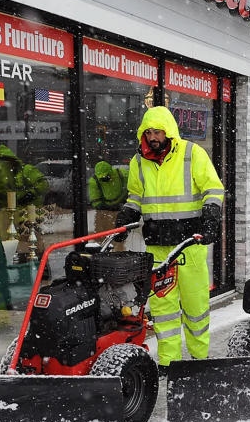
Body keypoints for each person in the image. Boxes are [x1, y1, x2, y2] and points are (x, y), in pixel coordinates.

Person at [114, 106, 224, 372]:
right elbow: (136, 197)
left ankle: (199, 358)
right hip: (157, 245)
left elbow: (212, 187)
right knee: (163, 308)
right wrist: (127, 214)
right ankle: (169, 361)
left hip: (189, 244)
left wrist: (211, 213)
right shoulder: (138, 161)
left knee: (195, 304)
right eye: (148, 132)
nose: (153, 137)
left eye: (157, 131)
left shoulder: (191, 154)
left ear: (169, 131)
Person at [89, 160, 130, 237]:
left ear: (111, 171)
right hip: (104, 213)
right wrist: (113, 208)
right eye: (102, 177)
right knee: (101, 237)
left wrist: (127, 202)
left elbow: (135, 187)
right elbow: (96, 202)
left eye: (106, 176)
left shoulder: (122, 174)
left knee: (119, 238)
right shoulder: (94, 181)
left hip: (122, 211)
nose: (104, 178)